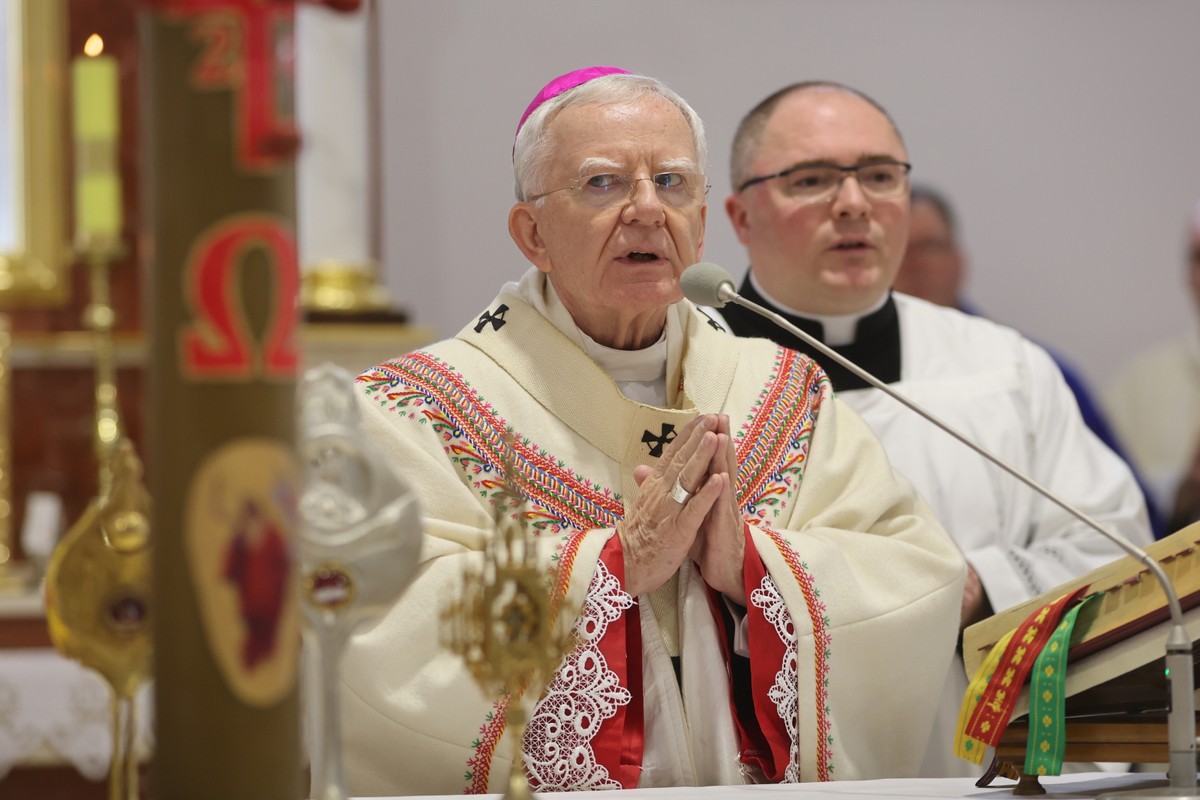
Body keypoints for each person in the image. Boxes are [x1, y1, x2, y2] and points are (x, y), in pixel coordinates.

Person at [334, 68, 965, 794]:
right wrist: (607, 567)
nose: (645, 210)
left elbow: (916, 574)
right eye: (602, 184)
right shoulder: (416, 407)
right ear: (531, 232)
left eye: (671, 183)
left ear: (701, 220)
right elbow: (373, 631)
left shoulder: (784, 391)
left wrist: (755, 567)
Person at [721, 81, 1153, 778]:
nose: (854, 202)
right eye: (812, 180)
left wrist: (981, 583)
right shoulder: (685, 379)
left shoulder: (1003, 367)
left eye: (880, 176)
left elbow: (1128, 559)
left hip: (983, 768)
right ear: (741, 216)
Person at [897, 183, 1165, 538]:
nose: (915, 265)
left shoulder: (1032, 371)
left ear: (960, 262)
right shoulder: (843, 378)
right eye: (901, 249)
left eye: (929, 247)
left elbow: (1131, 520)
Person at [1104, 202, 1200, 533]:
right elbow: (1108, 517)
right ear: (1188, 273)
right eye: (1199, 257)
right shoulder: (1134, 386)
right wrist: (1186, 486)